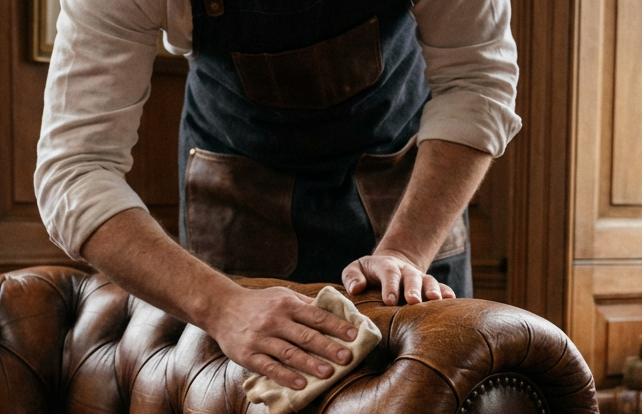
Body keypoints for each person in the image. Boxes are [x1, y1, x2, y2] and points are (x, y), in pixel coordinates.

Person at [36, 0, 519, 392]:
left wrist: (406, 251)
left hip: (406, 196)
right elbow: (75, 171)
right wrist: (220, 305)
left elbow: (476, 83)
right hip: (239, 209)